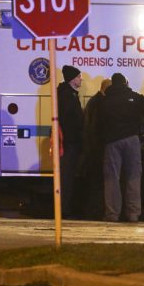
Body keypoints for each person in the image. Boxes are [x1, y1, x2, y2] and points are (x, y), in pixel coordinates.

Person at [100, 73, 144, 222]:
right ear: (125, 82)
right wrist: (142, 130)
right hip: (132, 139)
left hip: (111, 141)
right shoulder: (136, 97)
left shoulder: (106, 100)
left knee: (112, 177)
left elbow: (99, 122)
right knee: (134, 176)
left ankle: (112, 214)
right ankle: (133, 213)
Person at [81, 78, 112, 220]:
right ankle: (95, 211)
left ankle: (93, 210)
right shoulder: (100, 103)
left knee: (95, 182)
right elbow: (95, 128)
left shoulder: (94, 101)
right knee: (98, 183)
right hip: (97, 149)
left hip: (92, 149)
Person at [57, 65, 84, 219]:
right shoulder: (68, 96)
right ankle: (64, 209)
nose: (81, 79)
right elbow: (69, 120)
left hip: (69, 142)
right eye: (79, 77)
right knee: (66, 176)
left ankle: (64, 207)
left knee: (67, 175)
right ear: (73, 79)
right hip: (69, 143)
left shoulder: (68, 94)